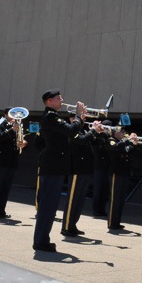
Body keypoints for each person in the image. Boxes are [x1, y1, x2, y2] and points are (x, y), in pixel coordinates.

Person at [33, 89, 85, 252]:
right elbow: (70, 130)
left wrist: (80, 120)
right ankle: (41, 241)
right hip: (53, 167)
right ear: (49, 101)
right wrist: (78, 116)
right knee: (48, 206)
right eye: (58, 98)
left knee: (49, 206)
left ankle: (42, 239)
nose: (62, 100)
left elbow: (68, 131)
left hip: (54, 166)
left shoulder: (52, 117)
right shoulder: (50, 117)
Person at [61, 121, 98, 237]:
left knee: (80, 200)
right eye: (82, 116)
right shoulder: (72, 131)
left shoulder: (84, 131)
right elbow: (82, 140)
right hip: (76, 169)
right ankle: (66, 227)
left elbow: (92, 142)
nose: (84, 118)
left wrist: (97, 132)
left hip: (85, 169)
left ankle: (72, 225)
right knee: (73, 199)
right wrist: (93, 130)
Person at [0, 108, 26, 219]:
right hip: (1, 160)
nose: (14, 117)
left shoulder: (16, 125)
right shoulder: (0, 123)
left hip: (12, 160)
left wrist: (24, 143)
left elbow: (19, 139)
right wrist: (12, 130)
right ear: (6, 114)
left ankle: (1, 211)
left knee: (6, 187)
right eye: (12, 114)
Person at [107, 127, 140, 230]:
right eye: (122, 132)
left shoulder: (124, 142)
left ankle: (117, 221)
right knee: (115, 199)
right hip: (115, 173)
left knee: (121, 199)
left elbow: (130, 152)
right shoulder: (111, 140)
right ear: (115, 133)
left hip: (124, 173)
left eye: (124, 132)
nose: (124, 133)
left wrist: (134, 144)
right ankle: (111, 222)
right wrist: (127, 139)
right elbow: (116, 147)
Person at [90, 122, 111, 217]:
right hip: (98, 167)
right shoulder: (98, 136)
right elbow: (97, 147)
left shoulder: (109, 138)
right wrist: (101, 133)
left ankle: (102, 209)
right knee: (98, 190)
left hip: (107, 167)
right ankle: (96, 210)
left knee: (105, 191)